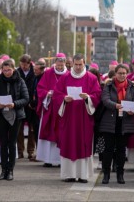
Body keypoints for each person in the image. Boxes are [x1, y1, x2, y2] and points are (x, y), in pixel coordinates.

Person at [53, 53, 101, 183]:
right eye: (76, 64)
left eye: (80, 64)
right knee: (69, 142)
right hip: (68, 117)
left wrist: (88, 98)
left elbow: (97, 95)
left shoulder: (91, 78)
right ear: (72, 64)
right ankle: (69, 174)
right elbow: (56, 94)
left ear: (84, 63)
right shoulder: (65, 78)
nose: (78, 67)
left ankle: (83, 175)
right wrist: (64, 98)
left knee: (83, 143)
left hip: (84, 118)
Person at [0, 59, 29, 181]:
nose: (6, 73)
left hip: (16, 114)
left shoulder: (20, 81)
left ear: (14, 69)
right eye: (4, 70)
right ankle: (3, 170)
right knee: (3, 143)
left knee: (12, 143)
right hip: (1, 114)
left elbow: (26, 98)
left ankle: (10, 170)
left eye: (9, 70)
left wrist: (14, 104)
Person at [99, 64, 134, 184]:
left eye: (124, 73)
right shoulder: (109, 85)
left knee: (121, 150)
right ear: (115, 74)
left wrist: (133, 110)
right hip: (110, 121)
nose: (122, 75)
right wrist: (115, 105)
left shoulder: (131, 86)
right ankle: (106, 175)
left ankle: (120, 175)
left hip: (125, 121)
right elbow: (105, 99)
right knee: (108, 149)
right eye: (120, 73)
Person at [36, 53, 68, 167]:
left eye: (61, 65)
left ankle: (60, 160)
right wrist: (47, 94)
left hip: (62, 109)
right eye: (58, 65)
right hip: (49, 107)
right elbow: (40, 88)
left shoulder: (68, 75)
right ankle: (48, 159)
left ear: (65, 63)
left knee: (61, 133)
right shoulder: (48, 73)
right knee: (48, 132)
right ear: (55, 63)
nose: (59, 67)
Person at [16, 54, 36, 159]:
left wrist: (32, 101)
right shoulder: (17, 72)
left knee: (31, 129)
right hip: (20, 103)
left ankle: (31, 151)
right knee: (19, 128)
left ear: (30, 63)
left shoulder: (34, 72)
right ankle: (20, 151)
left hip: (31, 105)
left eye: (25, 64)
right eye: (22, 64)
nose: (24, 66)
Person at [29, 60, 46, 150]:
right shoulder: (35, 77)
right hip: (34, 108)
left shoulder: (44, 77)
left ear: (42, 69)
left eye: (36, 70)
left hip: (41, 108)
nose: (34, 71)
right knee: (35, 130)